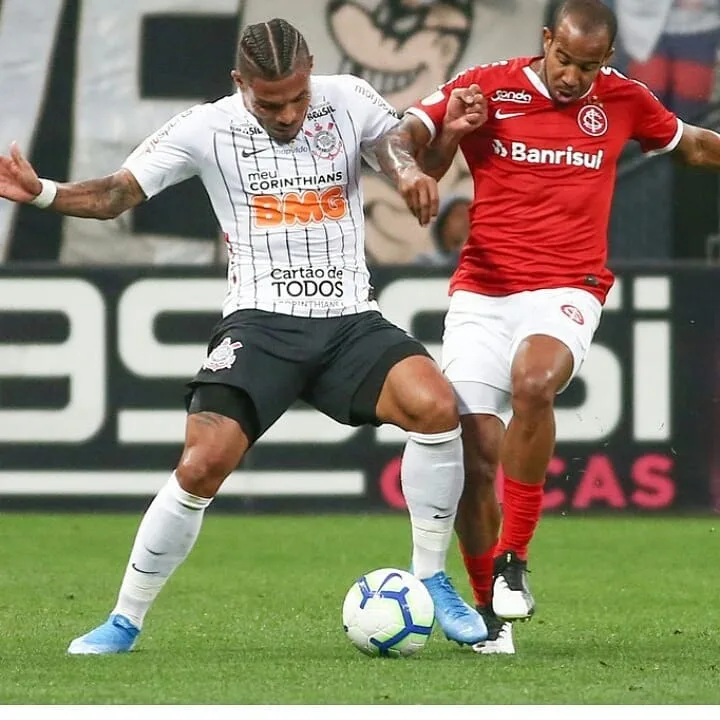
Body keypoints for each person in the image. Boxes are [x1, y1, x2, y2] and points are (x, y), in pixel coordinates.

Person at [0, 18, 488, 654]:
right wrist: (43, 195)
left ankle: (431, 578)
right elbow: (119, 192)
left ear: (311, 70)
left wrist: (409, 173)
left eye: (296, 98)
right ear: (240, 83)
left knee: (438, 407)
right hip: (260, 324)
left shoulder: (347, 97)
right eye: (269, 102)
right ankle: (124, 620)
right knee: (201, 465)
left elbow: (395, 142)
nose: (286, 114)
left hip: (348, 319)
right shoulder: (205, 127)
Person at [375, 0, 720, 655]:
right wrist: (424, 159)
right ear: (545, 42)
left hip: (568, 287)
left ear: (607, 60)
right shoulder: (486, 86)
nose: (571, 76)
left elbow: (695, 145)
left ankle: (514, 560)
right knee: (475, 453)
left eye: (587, 66)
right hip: (483, 291)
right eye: (564, 59)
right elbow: (406, 137)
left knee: (533, 382)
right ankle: (486, 614)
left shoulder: (622, 99)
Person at [414, 193, 470, 267]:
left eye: (470, 215)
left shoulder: (483, 261)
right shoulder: (426, 262)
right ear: (442, 224)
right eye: (459, 215)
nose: (467, 221)